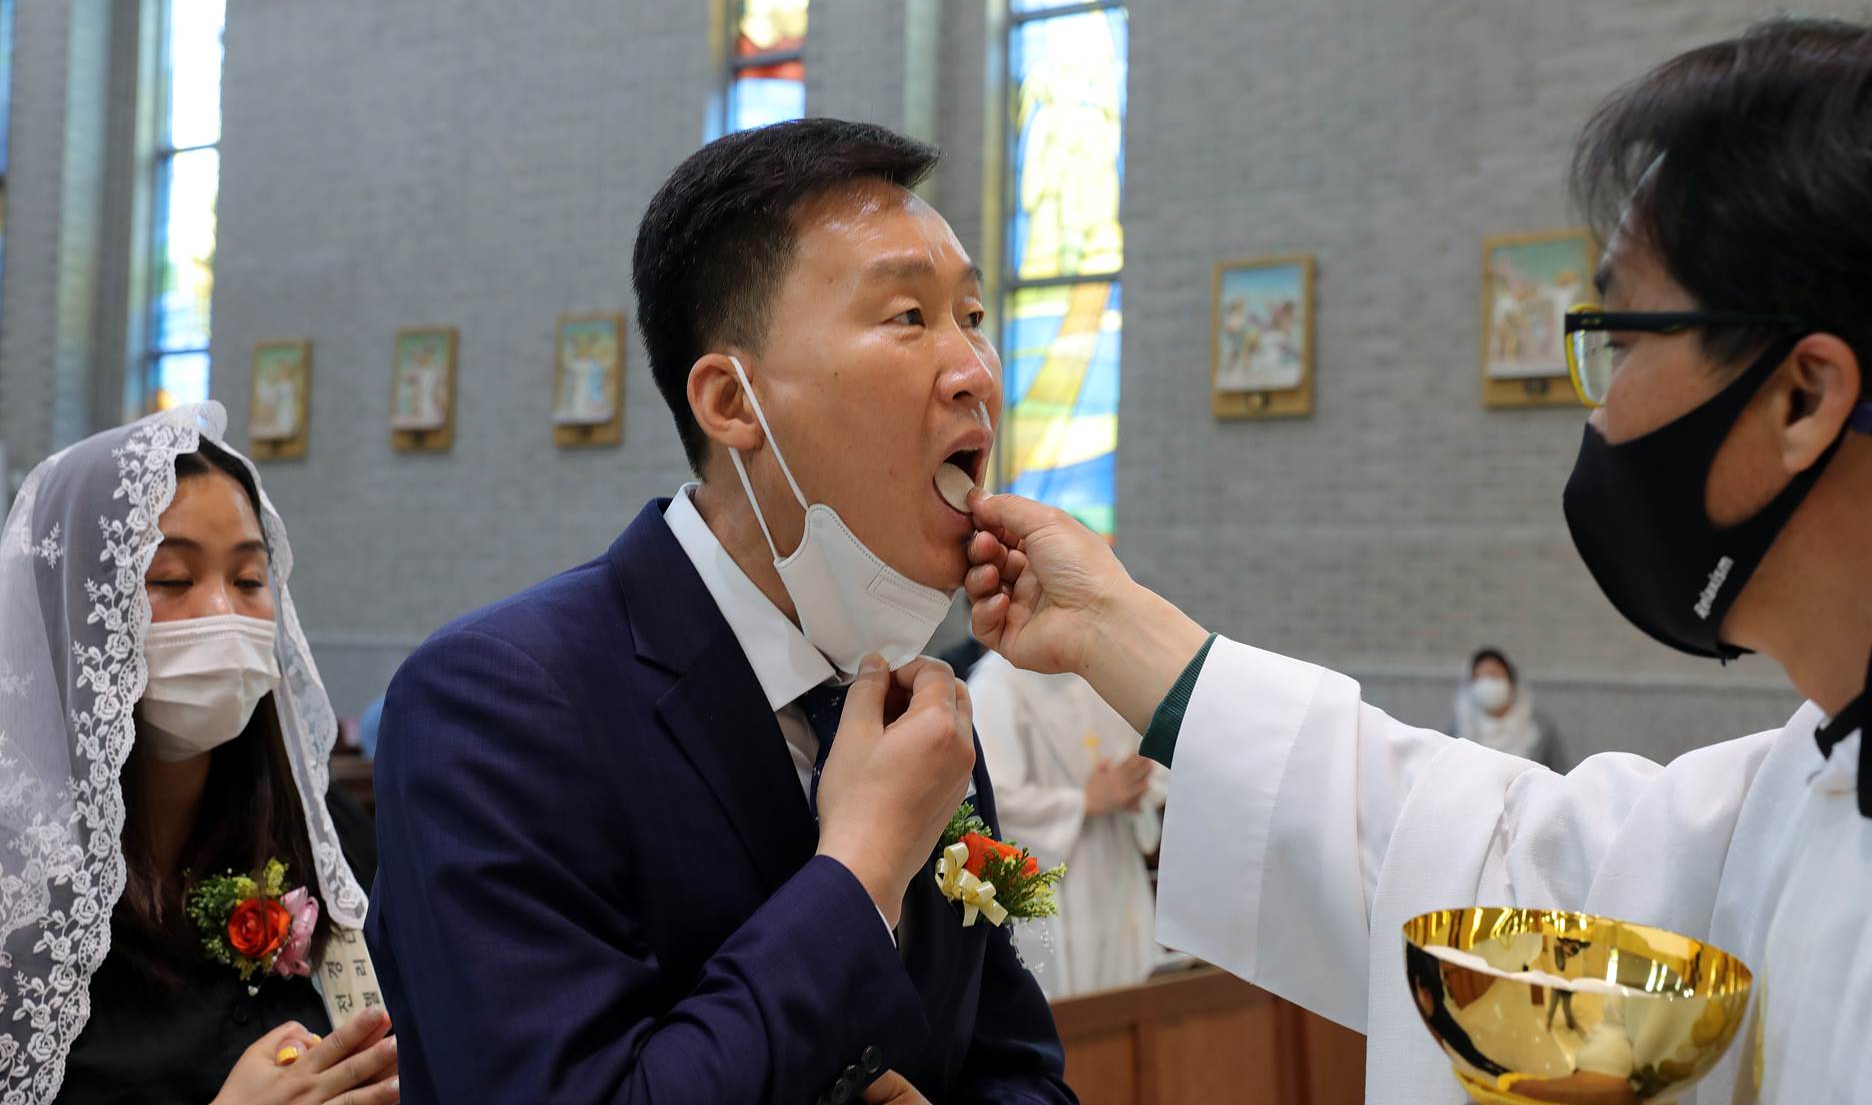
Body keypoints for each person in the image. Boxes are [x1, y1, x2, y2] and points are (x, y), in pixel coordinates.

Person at [961, 11, 1872, 1103]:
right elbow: (1496, 870)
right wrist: (1114, 627)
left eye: (1620, 340)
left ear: (1803, 396)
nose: (1600, 413)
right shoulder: (1827, 765)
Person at [369, 120, 1073, 1104]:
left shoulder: (915, 706)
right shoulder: (497, 703)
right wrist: (861, 867)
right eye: (910, 317)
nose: (977, 372)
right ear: (732, 402)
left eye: (973, 315)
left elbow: (1018, 1068)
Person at [0, 403, 395, 1105]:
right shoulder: (19, 883)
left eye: (248, 581)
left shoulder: (321, 833)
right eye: (173, 580)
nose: (222, 613)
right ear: (75, 611)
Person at [968, 652, 1166, 998]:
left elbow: (1156, 753)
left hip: (1118, 864)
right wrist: (1083, 802)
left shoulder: (1103, 662)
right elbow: (990, 800)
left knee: (1136, 998)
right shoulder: (997, 682)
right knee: (1074, 1006)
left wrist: (1137, 784)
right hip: (1054, 874)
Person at [1449, 646, 1563, 770]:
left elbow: (1560, 773)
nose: (1487, 683)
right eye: (1478, 677)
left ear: (1512, 683)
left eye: (1494, 675)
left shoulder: (1538, 730)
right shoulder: (1459, 730)